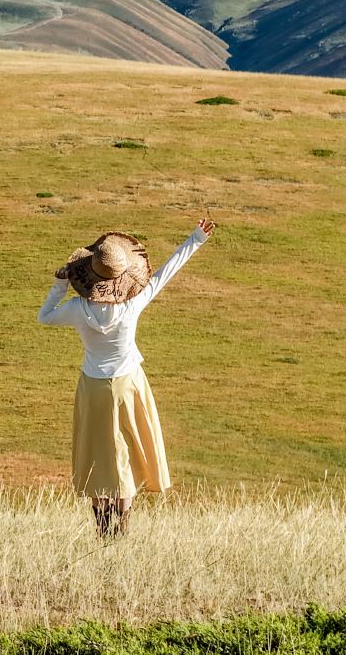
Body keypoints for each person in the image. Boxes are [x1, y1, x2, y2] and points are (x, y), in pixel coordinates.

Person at [37, 218, 215, 535]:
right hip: (129, 383)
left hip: (93, 386)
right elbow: (165, 273)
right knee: (127, 456)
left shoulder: (78, 308)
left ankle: (102, 529)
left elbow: (45, 317)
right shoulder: (133, 302)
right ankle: (122, 527)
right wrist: (196, 238)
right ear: (122, 276)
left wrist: (59, 286)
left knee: (98, 454)